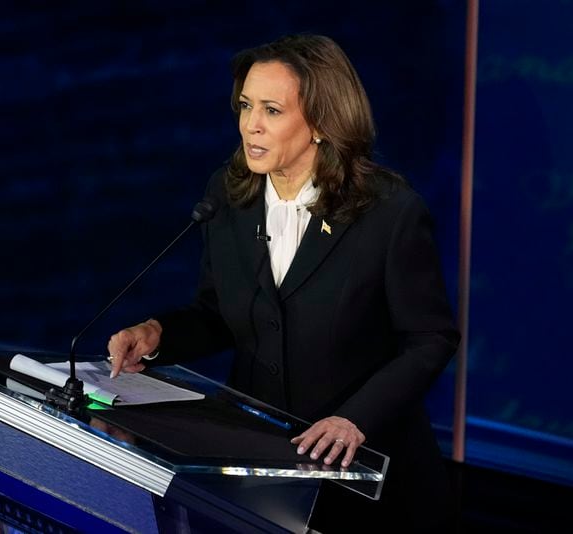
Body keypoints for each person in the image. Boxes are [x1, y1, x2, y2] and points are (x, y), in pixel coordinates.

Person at [107, 34, 460, 531]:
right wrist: (157, 335)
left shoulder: (389, 213)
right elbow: (218, 314)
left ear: (320, 122)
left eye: (272, 110)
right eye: (246, 105)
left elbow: (430, 338)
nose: (250, 125)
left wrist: (353, 419)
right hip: (259, 469)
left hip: (363, 479)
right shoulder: (228, 195)